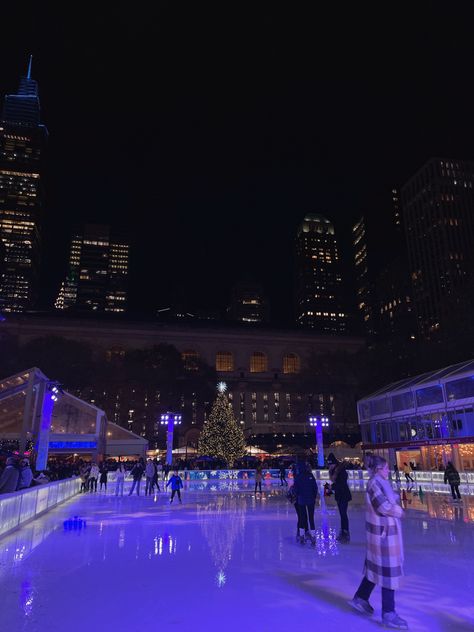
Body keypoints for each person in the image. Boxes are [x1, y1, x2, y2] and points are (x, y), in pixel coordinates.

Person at [348, 454, 407, 630]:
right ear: (378, 469)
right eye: (386, 468)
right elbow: (383, 507)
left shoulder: (380, 483)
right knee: (388, 573)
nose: (388, 470)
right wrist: (398, 511)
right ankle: (389, 613)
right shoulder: (374, 483)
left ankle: (361, 597)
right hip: (383, 536)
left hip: (382, 534)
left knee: (376, 568)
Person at [328, 453, 352, 543]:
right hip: (339, 496)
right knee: (342, 514)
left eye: (331, 464)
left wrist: (332, 487)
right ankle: (343, 532)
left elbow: (341, 484)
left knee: (343, 514)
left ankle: (345, 533)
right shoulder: (334, 471)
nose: (330, 466)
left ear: (335, 463)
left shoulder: (340, 471)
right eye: (329, 464)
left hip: (344, 495)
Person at [293, 461, 318, 545]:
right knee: (311, 518)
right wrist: (314, 497)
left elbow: (295, 490)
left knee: (302, 518)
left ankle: (302, 536)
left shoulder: (298, 477)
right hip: (310, 500)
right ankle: (313, 536)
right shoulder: (311, 476)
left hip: (301, 501)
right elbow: (315, 488)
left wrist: (297, 496)